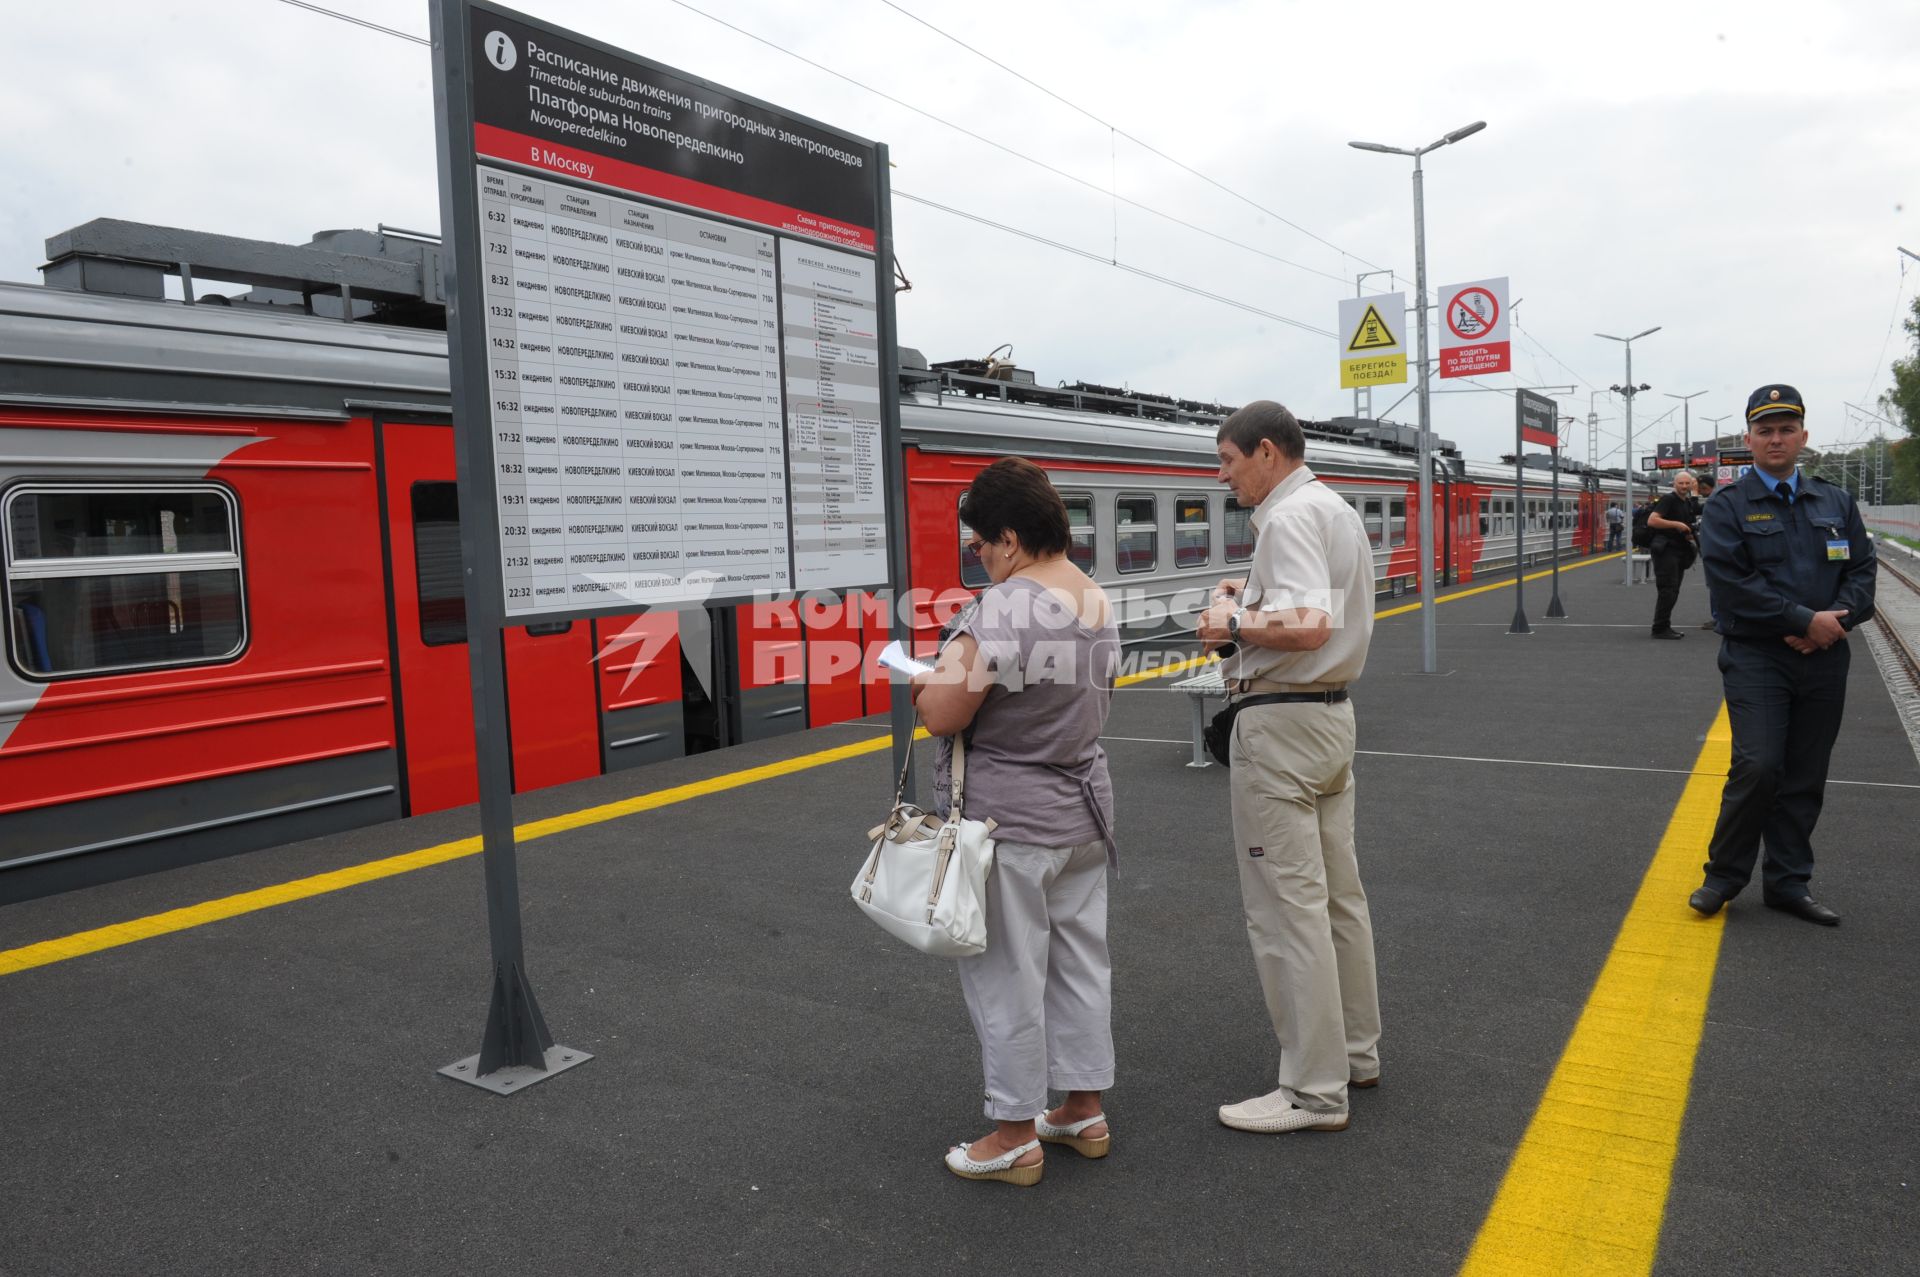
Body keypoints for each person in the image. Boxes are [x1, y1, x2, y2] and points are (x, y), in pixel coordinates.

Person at [911, 457, 1120, 1186]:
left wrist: (925, 682)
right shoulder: (1095, 597)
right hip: (1084, 814)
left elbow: (944, 711)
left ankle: (1012, 1135)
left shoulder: (1003, 608)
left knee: (1007, 975)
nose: (980, 558)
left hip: (1012, 824)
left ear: (1007, 536)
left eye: (979, 545)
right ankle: (1082, 1107)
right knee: (1078, 963)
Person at [1195, 400, 1380, 1135]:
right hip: (1331, 719)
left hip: (1281, 726)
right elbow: (1314, 608)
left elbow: (1308, 624)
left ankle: (1312, 1089)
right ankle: (1357, 1053)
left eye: (1229, 462)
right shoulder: (1330, 508)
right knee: (1340, 899)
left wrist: (1231, 623)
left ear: (1266, 451)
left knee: (1283, 909)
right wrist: (1252, 598)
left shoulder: (1288, 517)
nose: (1224, 477)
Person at [1688, 385, 1877, 926]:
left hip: (1825, 655)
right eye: (1765, 430)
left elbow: (1862, 571)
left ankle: (1789, 884)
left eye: (1786, 428)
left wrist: (1834, 620)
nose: (1776, 438)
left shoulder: (1836, 501)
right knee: (1760, 764)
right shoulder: (1728, 506)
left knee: (1805, 773)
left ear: (1803, 437)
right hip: (1757, 657)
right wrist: (1803, 621)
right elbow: (1731, 584)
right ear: (1749, 440)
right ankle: (1723, 876)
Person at [1646, 471, 1701, 638]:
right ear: (1674, 484)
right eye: (1681, 483)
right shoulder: (1669, 499)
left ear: (1691, 485)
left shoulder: (1686, 502)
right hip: (1666, 551)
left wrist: (1687, 533)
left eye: (1687, 483)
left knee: (1673, 590)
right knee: (1667, 590)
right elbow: (1652, 520)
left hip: (1678, 550)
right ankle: (1659, 628)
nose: (1684, 486)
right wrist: (1677, 524)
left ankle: (1664, 626)